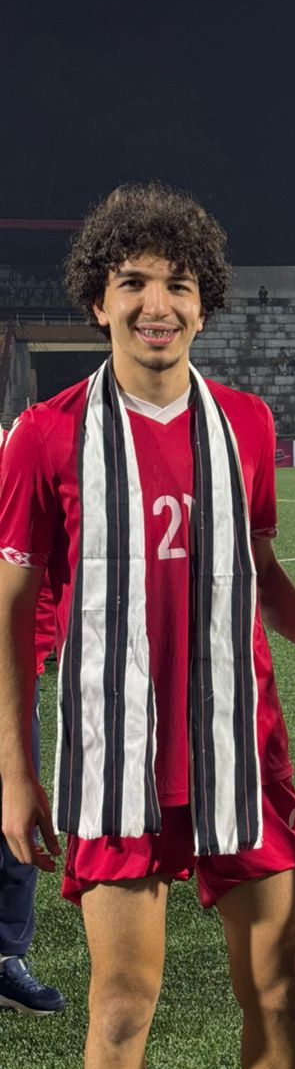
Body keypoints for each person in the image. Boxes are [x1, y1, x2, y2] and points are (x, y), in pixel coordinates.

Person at [0, 183, 295, 1069]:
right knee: (122, 1002)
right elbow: (11, 612)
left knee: (277, 987)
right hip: (114, 757)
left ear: (204, 302)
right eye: (133, 282)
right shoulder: (44, 437)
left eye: (178, 284)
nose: (157, 304)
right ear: (98, 299)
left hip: (239, 751)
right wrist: (14, 772)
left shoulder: (246, 424)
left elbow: (255, 569)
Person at [0, 429, 66, 1018]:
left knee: (16, 821)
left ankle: (5, 958)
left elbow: (35, 572)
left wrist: (41, 649)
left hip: (11, 673)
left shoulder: (20, 451)